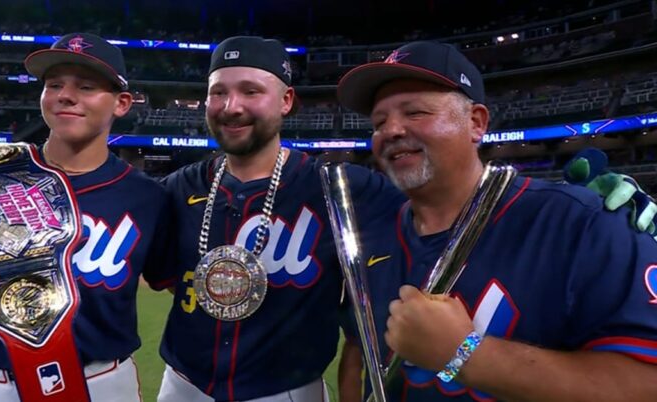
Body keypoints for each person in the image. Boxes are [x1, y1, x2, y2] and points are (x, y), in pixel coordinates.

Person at [335, 40, 657, 401]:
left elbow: (647, 384)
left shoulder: (581, 223)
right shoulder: (374, 236)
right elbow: (358, 351)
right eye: (379, 122)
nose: (391, 130)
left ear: (476, 123)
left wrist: (464, 354)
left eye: (415, 113)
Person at [156, 35, 406, 402]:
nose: (231, 107)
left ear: (286, 100)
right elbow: (163, 276)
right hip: (183, 385)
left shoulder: (344, 188)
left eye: (251, 91)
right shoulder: (178, 189)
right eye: (218, 92)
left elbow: (433, 221)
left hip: (287, 391)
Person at [0, 32, 174, 402]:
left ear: (122, 103)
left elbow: (172, 282)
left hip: (101, 381)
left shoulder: (148, 198)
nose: (66, 95)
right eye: (54, 84)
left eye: (86, 86)